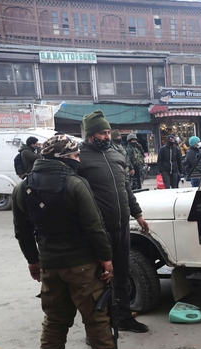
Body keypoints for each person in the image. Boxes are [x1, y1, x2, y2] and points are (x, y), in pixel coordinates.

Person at [12, 134, 136, 349]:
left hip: (49, 265)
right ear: (63, 157)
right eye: (75, 156)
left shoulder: (22, 188)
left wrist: (33, 261)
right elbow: (94, 226)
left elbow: (22, 231)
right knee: (96, 316)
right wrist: (106, 259)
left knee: (54, 319)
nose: (78, 160)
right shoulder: (75, 184)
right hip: (82, 264)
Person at [78, 110, 151, 333]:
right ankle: (98, 328)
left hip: (121, 226)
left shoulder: (116, 155)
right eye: (102, 133)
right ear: (90, 135)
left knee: (121, 273)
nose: (107, 136)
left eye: (108, 132)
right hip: (97, 230)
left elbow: (126, 188)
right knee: (98, 280)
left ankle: (124, 318)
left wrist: (137, 214)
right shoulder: (79, 159)